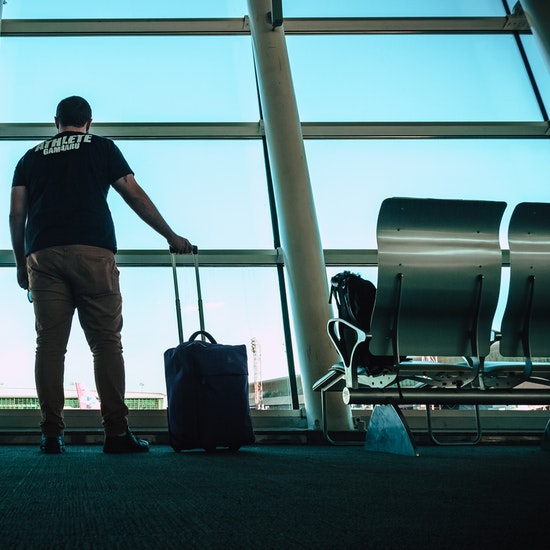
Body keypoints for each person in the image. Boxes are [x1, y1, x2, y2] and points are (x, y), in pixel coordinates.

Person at [9, 96, 193, 454]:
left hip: (43, 256)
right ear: (88, 122)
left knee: (49, 346)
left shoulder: (30, 157)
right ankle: (116, 433)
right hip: (93, 252)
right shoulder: (103, 148)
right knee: (106, 343)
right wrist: (170, 235)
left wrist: (21, 263)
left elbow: (17, 215)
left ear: (56, 122)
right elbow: (133, 194)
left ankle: (50, 434)